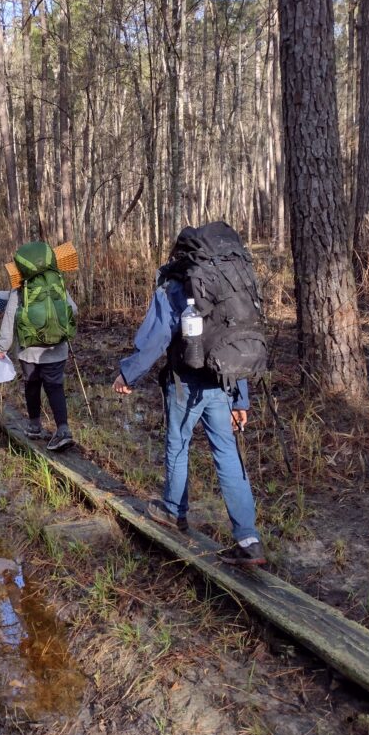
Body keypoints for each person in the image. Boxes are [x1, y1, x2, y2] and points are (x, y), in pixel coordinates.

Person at [111, 222, 267, 567]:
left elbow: (156, 337)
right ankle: (248, 537)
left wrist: (128, 374)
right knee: (227, 455)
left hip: (186, 380)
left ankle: (173, 511)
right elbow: (234, 337)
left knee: (178, 444)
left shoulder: (175, 284)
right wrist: (240, 398)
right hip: (223, 382)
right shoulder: (230, 282)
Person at [0, 241, 77, 452]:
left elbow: (9, 319)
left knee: (32, 385)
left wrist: (2, 347)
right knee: (55, 386)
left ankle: (34, 426)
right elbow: (73, 310)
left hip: (29, 351)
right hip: (56, 350)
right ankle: (63, 429)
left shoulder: (19, 290)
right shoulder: (57, 284)